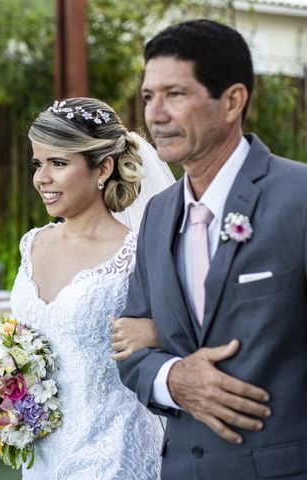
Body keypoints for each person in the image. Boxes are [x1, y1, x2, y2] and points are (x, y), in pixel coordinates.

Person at [116, 19, 307, 480]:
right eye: (148, 97)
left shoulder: (299, 197)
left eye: (175, 94)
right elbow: (132, 347)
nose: (155, 115)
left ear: (233, 101)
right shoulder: (157, 214)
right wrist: (173, 380)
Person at [9, 97, 174, 479]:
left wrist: (156, 332)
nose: (41, 178)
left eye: (58, 163)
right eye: (38, 163)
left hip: (112, 453)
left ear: (102, 167)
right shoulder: (32, 243)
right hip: (43, 451)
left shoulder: (138, 253)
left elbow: (179, 335)